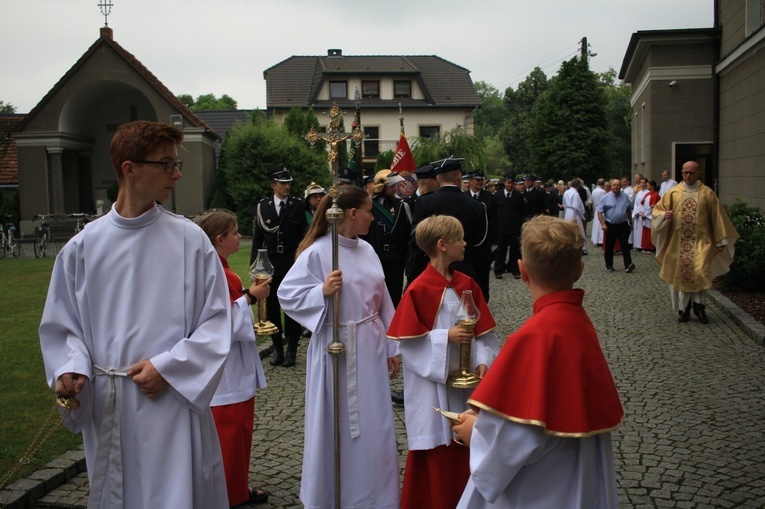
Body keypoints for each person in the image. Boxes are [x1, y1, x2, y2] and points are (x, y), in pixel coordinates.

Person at [39, 120, 232, 509]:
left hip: (171, 401)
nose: (176, 174)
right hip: (112, 405)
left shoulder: (189, 240)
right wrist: (69, 367)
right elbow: (64, 325)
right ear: (130, 168)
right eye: (165, 164)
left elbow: (216, 321)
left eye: (175, 163)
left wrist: (168, 367)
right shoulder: (81, 248)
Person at [451, 215, 624, 509]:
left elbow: (518, 438)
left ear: (522, 270)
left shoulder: (532, 338)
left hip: (540, 491)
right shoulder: (580, 324)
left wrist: (475, 435)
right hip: (579, 479)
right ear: (580, 270)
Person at [277, 187, 401, 509]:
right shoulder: (319, 252)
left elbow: (383, 299)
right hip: (336, 349)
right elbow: (287, 294)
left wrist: (391, 346)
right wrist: (321, 291)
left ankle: (376, 495)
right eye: (369, 210)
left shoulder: (369, 250)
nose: (374, 217)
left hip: (370, 346)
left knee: (375, 423)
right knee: (337, 426)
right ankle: (332, 494)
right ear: (351, 213)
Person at [388, 215, 499, 508]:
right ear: (442, 245)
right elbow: (409, 346)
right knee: (437, 450)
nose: (465, 243)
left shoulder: (468, 284)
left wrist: (484, 361)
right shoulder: (418, 289)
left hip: (467, 388)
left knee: (470, 444)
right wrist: (443, 337)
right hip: (431, 392)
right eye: (460, 238)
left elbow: (484, 335)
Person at [198, 209, 271, 508]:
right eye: (235, 232)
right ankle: (230, 495)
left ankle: (235, 487)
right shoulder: (215, 271)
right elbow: (219, 322)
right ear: (220, 238)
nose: (239, 236)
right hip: (225, 368)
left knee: (236, 432)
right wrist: (251, 298)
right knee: (231, 433)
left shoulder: (216, 267)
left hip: (227, 363)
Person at [652, 161, 739, 323]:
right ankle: (683, 310)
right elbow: (658, 212)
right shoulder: (673, 193)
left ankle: (700, 308)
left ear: (699, 173)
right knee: (681, 277)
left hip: (702, 243)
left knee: (700, 274)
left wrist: (721, 241)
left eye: (691, 172)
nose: (688, 175)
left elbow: (717, 218)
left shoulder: (707, 193)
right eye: (685, 172)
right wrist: (665, 216)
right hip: (678, 243)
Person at [250, 167, 309, 368]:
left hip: (292, 261)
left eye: (289, 183)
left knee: (291, 304)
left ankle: (292, 347)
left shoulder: (298, 206)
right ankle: (277, 347)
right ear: (273, 185)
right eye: (283, 183)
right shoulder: (263, 207)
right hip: (271, 262)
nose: (287, 186)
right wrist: (255, 267)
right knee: (272, 306)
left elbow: (304, 235)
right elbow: (258, 238)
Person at [409, 157, 491, 300]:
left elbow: (416, 245)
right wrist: (483, 288)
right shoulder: (477, 206)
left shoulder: (424, 203)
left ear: (437, 178)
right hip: (466, 274)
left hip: (431, 275)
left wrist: (412, 281)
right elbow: (481, 251)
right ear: (459, 175)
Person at [360, 169, 412, 307]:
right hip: (376, 255)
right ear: (381, 186)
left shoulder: (401, 205)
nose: (394, 188)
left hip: (396, 257)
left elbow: (407, 232)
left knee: (394, 295)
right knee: (376, 293)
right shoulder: (370, 205)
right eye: (391, 185)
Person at [597, 178, 635, 273]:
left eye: (618, 185)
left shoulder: (625, 196)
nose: (616, 187)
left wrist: (630, 222)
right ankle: (609, 265)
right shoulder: (606, 197)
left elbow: (628, 210)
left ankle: (628, 264)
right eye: (614, 185)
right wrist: (603, 224)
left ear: (621, 186)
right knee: (609, 246)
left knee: (625, 245)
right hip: (610, 225)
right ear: (611, 186)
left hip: (623, 224)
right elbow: (599, 212)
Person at [494, 174, 524, 279]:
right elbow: (494, 212)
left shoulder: (519, 196)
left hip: (514, 227)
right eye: (508, 182)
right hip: (501, 227)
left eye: (511, 183)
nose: (509, 185)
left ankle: (514, 269)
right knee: (501, 249)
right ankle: (498, 269)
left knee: (514, 250)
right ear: (505, 183)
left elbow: (521, 212)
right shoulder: (498, 195)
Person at [563, 178, 588, 256]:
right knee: (579, 230)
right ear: (578, 185)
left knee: (568, 230)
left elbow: (564, 203)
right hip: (575, 213)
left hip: (568, 212)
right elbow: (577, 206)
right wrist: (582, 214)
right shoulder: (575, 194)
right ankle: (582, 248)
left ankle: (569, 246)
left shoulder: (566, 192)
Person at [639, 180, 660, 252]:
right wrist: (642, 213)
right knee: (645, 232)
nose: (647, 186)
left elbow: (653, 207)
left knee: (650, 232)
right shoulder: (647, 194)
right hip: (645, 215)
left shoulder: (655, 195)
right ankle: (645, 246)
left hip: (650, 216)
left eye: (648, 185)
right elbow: (643, 204)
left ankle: (651, 248)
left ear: (652, 186)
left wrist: (646, 214)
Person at [632, 177, 650, 251]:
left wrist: (643, 213)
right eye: (641, 183)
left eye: (644, 183)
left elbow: (647, 205)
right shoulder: (639, 193)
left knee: (642, 231)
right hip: (637, 214)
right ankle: (637, 245)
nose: (642, 184)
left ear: (646, 184)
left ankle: (642, 245)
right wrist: (635, 212)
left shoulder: (648, 193)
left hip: (643, 214)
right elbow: (636, 204)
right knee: (637, 230)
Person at [590, 179, 607, 246]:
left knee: (596, 225)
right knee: (601, 225)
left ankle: (596, 239)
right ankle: (601, 240)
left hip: (596, 208)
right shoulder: (603, 191)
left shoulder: (594, 191)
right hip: (601, 209)